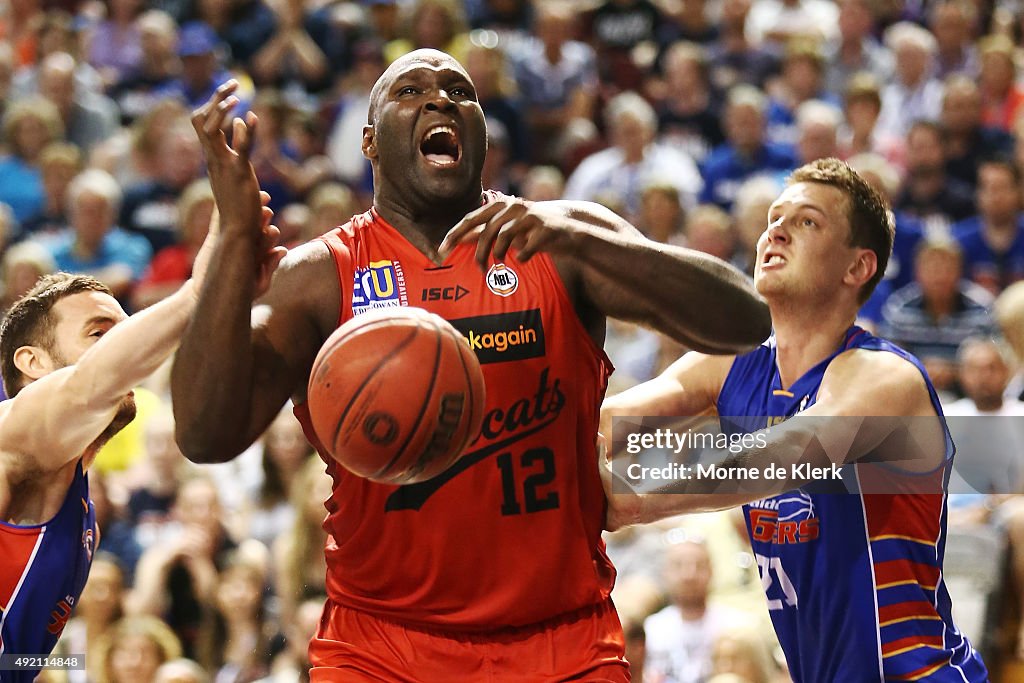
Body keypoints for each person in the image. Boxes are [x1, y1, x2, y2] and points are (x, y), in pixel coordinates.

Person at [172, 49, 770, 680]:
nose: (439, 100)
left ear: (484, 134)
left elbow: (744, 324)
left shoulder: (559, 239)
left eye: (460, 91)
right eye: (410, 92)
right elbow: (205, 436)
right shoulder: (322, 276)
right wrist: (234, 237)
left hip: (562, 641)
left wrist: (586, 239)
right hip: (380, 646)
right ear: (369, 142)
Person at [601, 158, 989, 681]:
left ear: (858, 268)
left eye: (807, 221)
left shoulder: (884, 377)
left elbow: (783, 456)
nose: (776, 230)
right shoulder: (730, 364)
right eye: (773, 218)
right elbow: (603, 424)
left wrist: (626, 497)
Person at [0, 199, 280, 677]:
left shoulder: (79, 500)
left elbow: (17, 657)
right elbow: (89, 382)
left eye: (126, 334)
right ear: (32, 363)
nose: (126, 352)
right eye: (99, 333)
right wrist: (198, 292)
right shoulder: (11, 431)